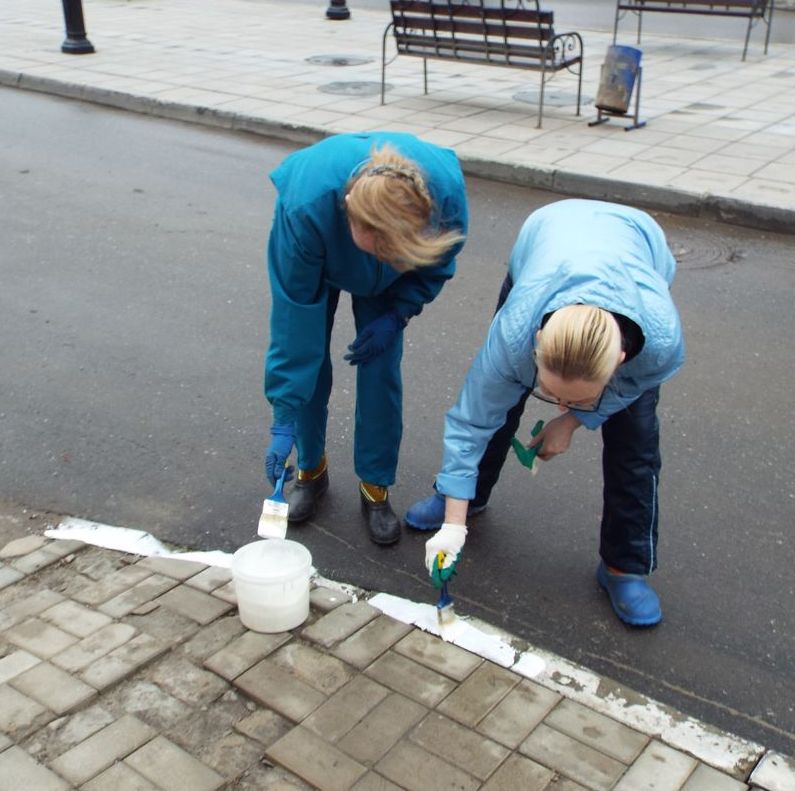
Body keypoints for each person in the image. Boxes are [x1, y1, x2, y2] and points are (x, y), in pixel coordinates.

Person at [405, 199, 684, 625]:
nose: (558, 405)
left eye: (577, 397)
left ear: (621, 360)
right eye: (552, 393)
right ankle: (463, 497)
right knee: (501, 403)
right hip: (546, 241)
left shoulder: (658, 340)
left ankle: (623, 567)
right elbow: (472, 421)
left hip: (635, 245)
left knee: (636, 442)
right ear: (537, 340)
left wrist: (575, 421)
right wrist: (453, 527)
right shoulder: (517, 331)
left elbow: (630, 391)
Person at [263, 132, 467, 545]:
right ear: (351, 217)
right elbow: (292, 325)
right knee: (311, 360)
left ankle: (375, 486)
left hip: (394, 279)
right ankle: (310, 469)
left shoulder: (444, 193)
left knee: (381, 371)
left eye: (393, 253)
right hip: (320, 252)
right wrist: (283, 415)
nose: (379, 260)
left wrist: (399, 311)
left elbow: (438, 262)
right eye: (377, 251)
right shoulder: (306, 209)